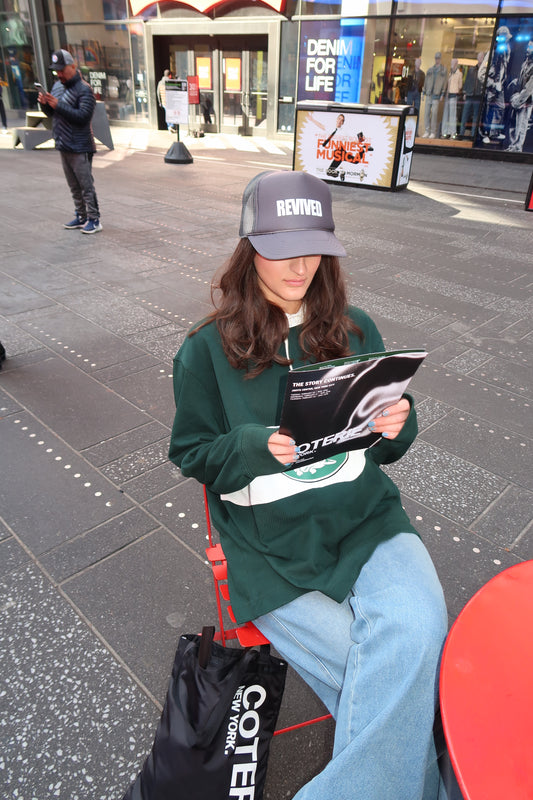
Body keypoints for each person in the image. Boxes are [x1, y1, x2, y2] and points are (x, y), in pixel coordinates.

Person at [169, 170, 449, 800]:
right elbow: (190, 453)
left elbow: (388, 448)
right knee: (394, 674)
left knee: (419, 630)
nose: (300, 264)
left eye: (314, 244)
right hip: (269, 548)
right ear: (250, 246)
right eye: (280, 246)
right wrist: (248, 444)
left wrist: (396, 424)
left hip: (364, 519)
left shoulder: (355, 329)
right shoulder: (206, 350)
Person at [38, 50, 101, 234]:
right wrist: (45, 104)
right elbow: (52, 114)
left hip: (80, 145)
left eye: (62, 70)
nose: (59, 74)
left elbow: (83, 117)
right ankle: (81, 216)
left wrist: (59, 105)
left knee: (85, 185)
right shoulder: (57, 87)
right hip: (63, 143)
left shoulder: (85, 89)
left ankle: (94, 219)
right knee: (73, 185)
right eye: (56, 71)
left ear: (73, 67)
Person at [481, 26, 513, 144]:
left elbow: (503, 70)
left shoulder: (505, 53)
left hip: (499, 87)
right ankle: (485, 133)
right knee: (488, 110)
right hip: (491, 88)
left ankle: (494, 132)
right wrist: (494, 85)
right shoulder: (492, 53)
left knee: (500, 107)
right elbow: (481, 75)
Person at [506, 39, 533, 153]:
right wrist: (516, 81)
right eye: (528, 46)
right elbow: (523, 80)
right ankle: (513, 146)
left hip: (526, 101)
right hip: (520, 100)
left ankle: (517, 148)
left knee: (521, 125)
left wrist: (518, 100)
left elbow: (529, 88)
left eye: (530, 47)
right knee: (515, 123)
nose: (527, 49)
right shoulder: (526, 63)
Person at [459, 52, 485, 139]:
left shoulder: (484, 70)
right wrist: (465, 92)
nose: (480, 59)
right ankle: (461, 133)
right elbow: (467, 80)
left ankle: (473, 135)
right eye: (479, 57)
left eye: (482, 57)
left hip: (478, 95)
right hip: (470, 94)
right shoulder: (472, 69)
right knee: (465, 115)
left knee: (475, 116)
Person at [422, 52, 448, 138]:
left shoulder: (443, 71)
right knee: (426, 113)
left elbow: (444, 83)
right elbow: (426, 81)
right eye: (436, 58)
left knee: (434, 114)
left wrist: (442, 93)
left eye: (438, 58)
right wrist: (424, 91)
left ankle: (433, 131)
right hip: (429, 94)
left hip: (436, 95)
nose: (437, 60)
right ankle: (427, 130)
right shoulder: (430, 70)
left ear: (440, 59)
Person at [441, 58, 462, 139]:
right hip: (447, 95)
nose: (452, 64)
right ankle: (444, 132)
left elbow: (460, 85)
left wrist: (455, 89)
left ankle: (452, 132)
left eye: (453, 63)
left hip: (453, 95)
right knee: (445, 114)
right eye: (451, 63)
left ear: (456, 63)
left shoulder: (459, 74)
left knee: (452, 115)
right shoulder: (449, 73)